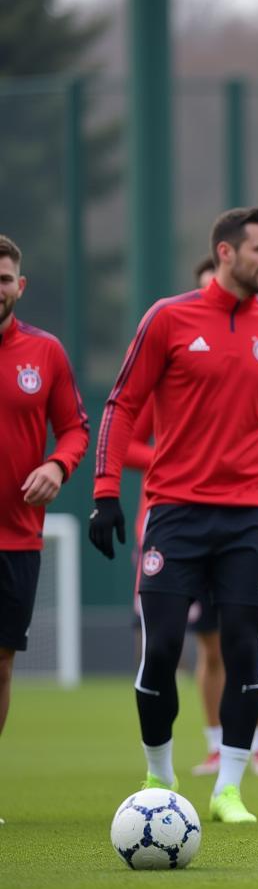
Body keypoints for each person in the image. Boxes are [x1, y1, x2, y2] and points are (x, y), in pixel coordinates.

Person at [89, 206, 258, 825]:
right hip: (173, 512)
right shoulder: (168, 319)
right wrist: (104, 493)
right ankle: (160, 775)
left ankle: (229, 787)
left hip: (249, 515)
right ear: (226, 253)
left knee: (244, 650)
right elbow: (122, 404)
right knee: (164, 647)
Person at [0, 235, 90, 824]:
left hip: (16, 538)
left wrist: (58, 466)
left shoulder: (45, 352)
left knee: (1, 665)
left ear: (19, 286)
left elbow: (76, 428)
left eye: (4, 277)